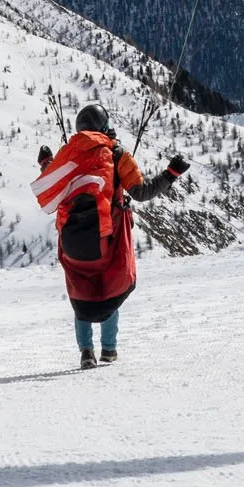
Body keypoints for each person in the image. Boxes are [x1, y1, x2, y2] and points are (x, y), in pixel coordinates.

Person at [32, 104, 188, 368]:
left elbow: (52, 181)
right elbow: (141, 192)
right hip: (108, 238)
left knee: (80, 289)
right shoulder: (117, 155)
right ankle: (109, 349)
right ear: (105, 127)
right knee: (110, 286)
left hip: (71, 241)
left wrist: (46, 163)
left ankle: (86, 351)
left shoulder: (67, 154)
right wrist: (170, 174)